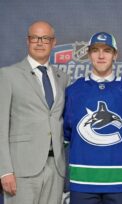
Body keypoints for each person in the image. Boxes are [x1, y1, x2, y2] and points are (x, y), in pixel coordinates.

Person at [0, 21, 69, 204]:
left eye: (45, 38)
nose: (40, 42)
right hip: (21, 170)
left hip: (56, 168)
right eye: (35, 38)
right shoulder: (8, 75)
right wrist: (5, 170)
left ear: (54, 43)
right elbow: (1, 126)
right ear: (27, 41)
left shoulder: (63, 78)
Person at [63, 32, 122, 204]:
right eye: (95, 50)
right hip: (82, 181)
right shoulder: (73, 90)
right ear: (88, 54)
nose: (101, 55)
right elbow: (66, 134)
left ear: (115, 55)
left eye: (107, 50)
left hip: (119, 182)